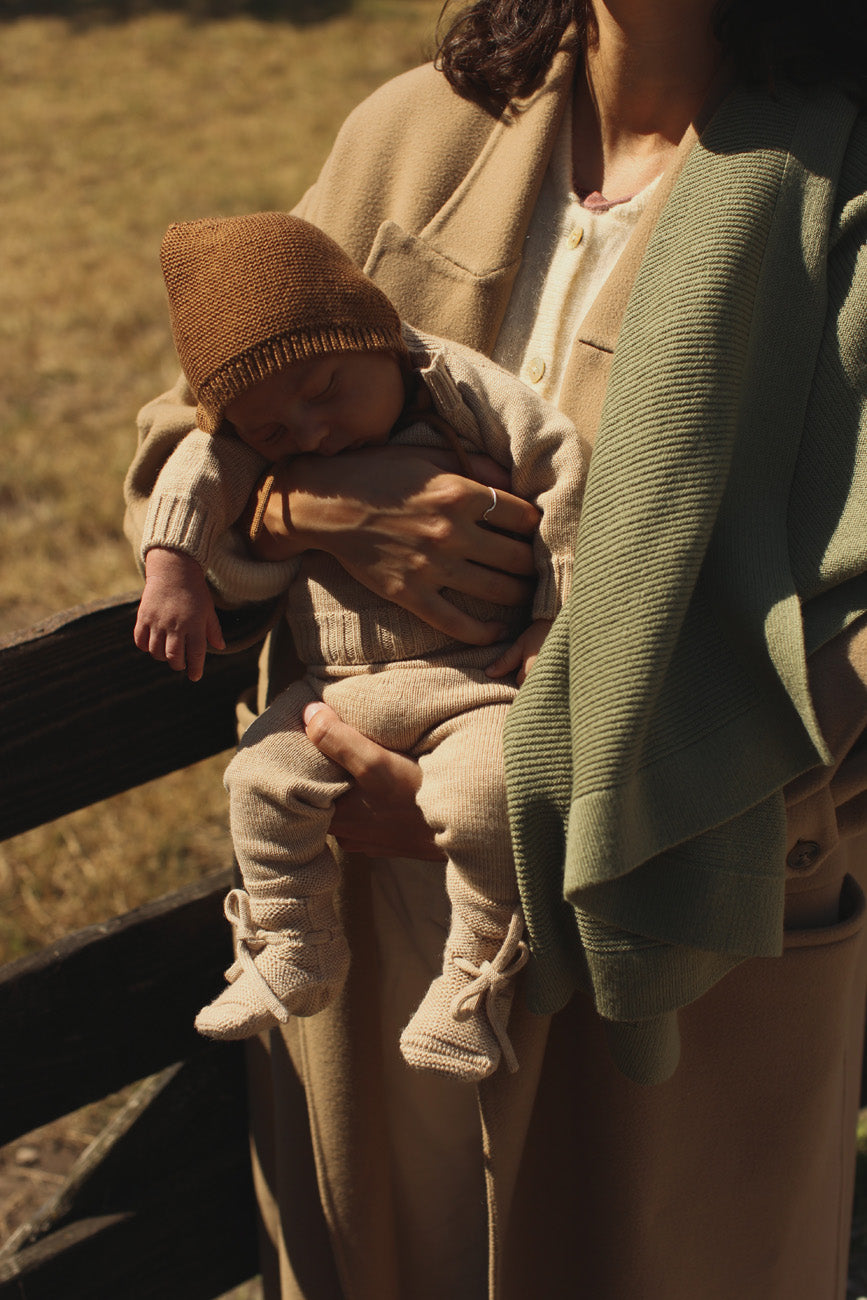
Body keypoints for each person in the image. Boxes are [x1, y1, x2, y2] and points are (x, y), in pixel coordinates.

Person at [123, 0, 867, 1296]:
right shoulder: (416, 129)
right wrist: (319, 511)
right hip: (368, 910)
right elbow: (188, 422)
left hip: (680, 903)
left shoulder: (841, 171)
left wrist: (543, 799)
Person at [134, 210, 585, 1080]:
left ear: (377, 338)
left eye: (326, 389)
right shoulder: (251, 432)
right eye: (272, 431)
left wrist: (551, 619)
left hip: (474, 684)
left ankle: (472, 982)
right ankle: (293, 945)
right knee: (258, 782)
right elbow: (198, 468)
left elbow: (561, 468)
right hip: (336, 692)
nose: (305, 433)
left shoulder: (453, 385)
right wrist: (174, 569)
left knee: (488, 795)